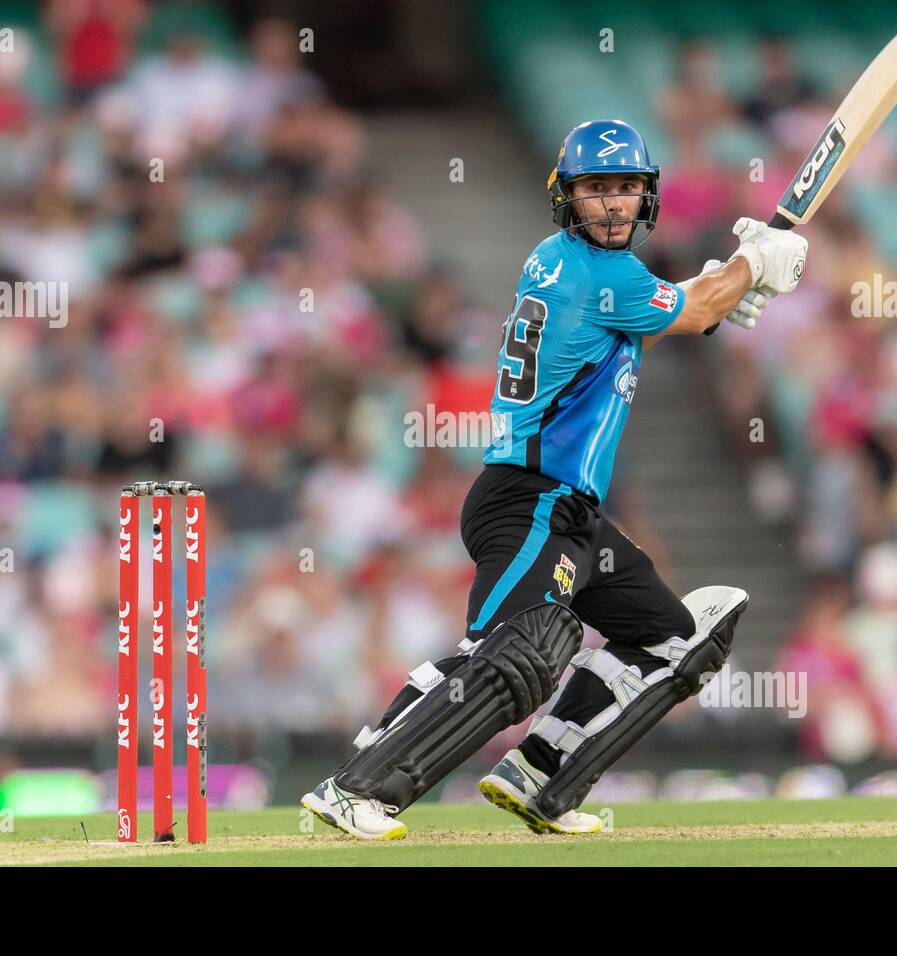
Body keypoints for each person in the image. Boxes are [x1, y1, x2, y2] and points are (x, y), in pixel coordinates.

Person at [302, 119, 809, 839]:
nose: (612, 204)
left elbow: (673, 307)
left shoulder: (565, 263)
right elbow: (689, 310)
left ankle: (542, 774)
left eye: (626, 188)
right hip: (528, 499)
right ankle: (358, 788)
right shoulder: (605, 275)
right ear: (565, 197)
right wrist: (751, 270)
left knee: (674, 641)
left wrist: (734, 279)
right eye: (595, 190)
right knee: (524, 645)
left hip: (570, 513)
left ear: (647, 196)